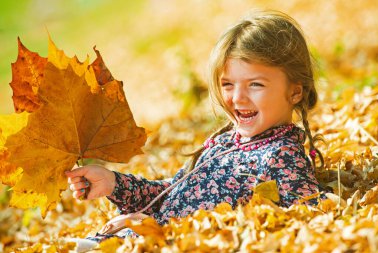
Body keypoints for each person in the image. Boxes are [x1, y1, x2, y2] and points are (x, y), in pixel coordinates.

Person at [66, 9, 325, 244]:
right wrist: (114, 184)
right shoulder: (223, 143)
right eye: (228, 85)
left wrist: (154, 229)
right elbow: (171, 194)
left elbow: (300, 221)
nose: (237, 97)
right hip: (123, 240)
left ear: (295, 92)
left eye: (255, 84)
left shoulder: (281, 156)